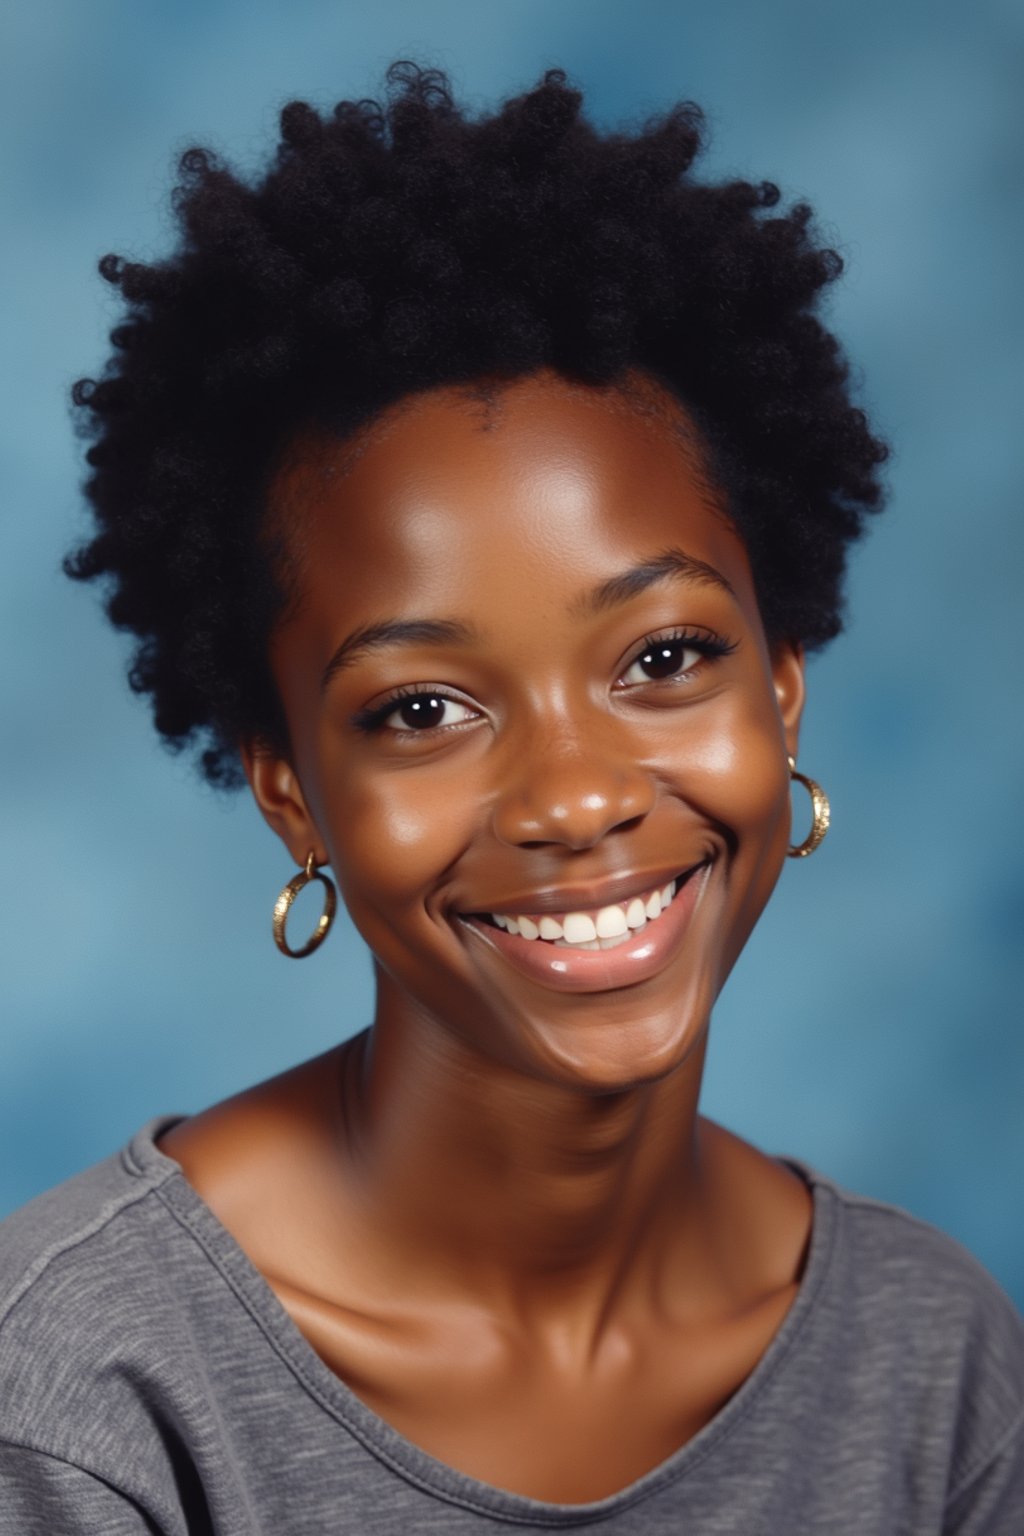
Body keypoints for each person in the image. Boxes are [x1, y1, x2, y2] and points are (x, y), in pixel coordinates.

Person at [1, 62, 1021, 1534]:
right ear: (292, 794)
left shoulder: (935, 1361)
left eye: (664, 657)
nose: (578, 796)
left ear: (781, 689)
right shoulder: (90, 1390)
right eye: (424, 710)